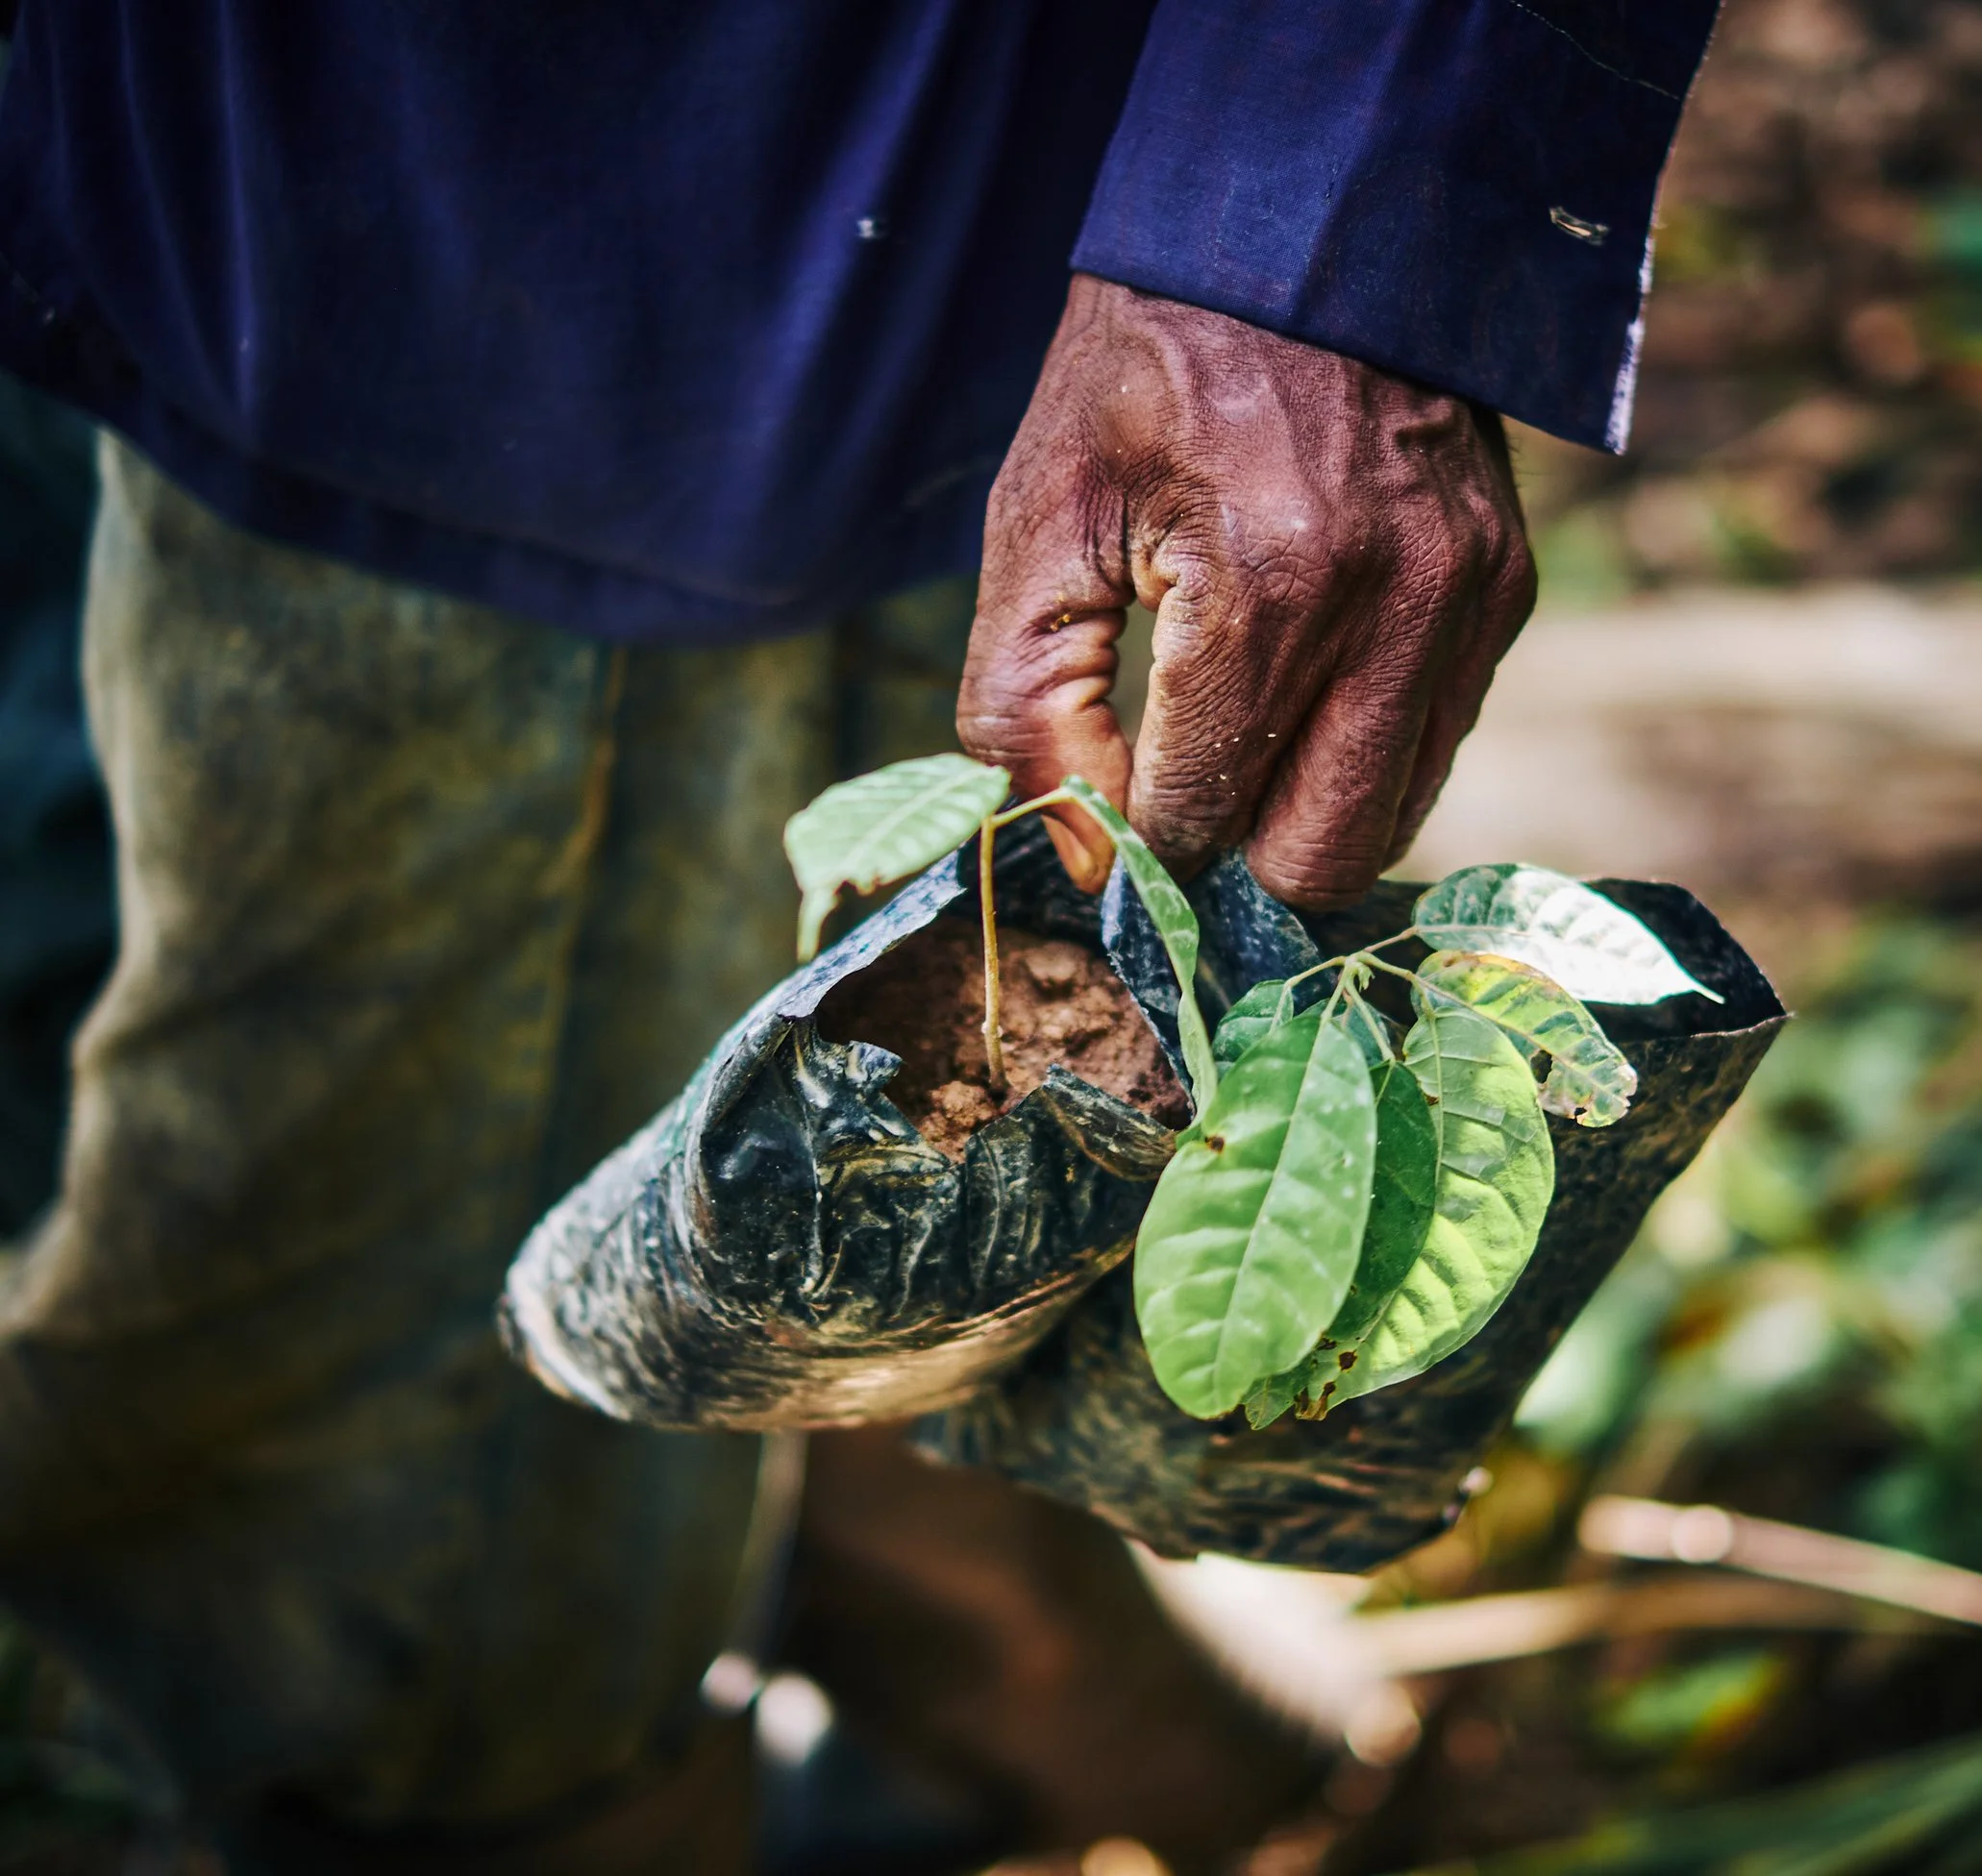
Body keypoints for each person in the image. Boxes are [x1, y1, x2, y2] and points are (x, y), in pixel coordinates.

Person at [0, 2, 1719, 1868]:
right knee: (387, 1423)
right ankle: (520, 1756)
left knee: (875, 1072)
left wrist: (1316, 229)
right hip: (416, 235)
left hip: (950, 215)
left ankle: (913, 1596)